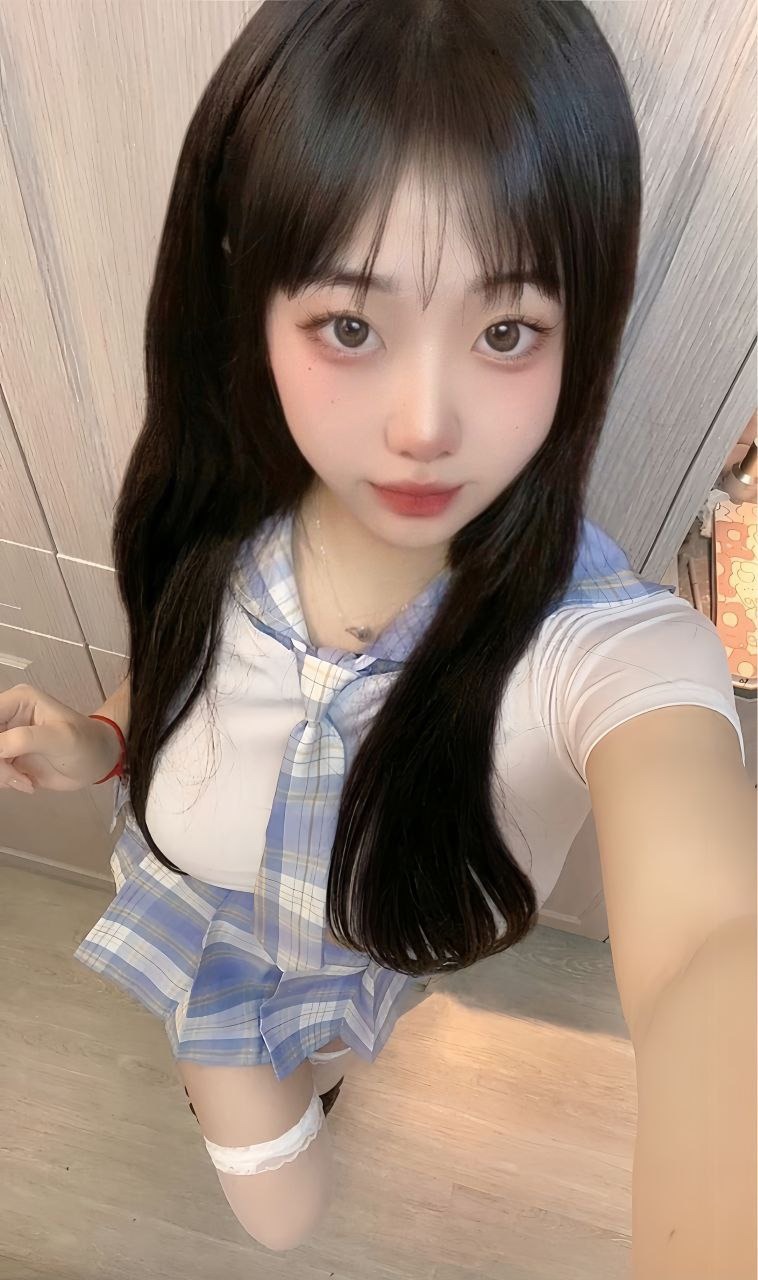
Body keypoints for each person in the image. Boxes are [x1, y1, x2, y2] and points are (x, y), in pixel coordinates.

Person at [0, 0, 748, 1259]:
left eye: (504, 331)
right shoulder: (222, 515)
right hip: (200, 931)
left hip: (354, 966)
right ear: (247, 302)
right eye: (350, 326)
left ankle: (314, 1066)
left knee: (308, 1124)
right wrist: (102, 741)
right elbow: (178, 676)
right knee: (276, 1209)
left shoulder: (593, 650)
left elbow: (709, 945)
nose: (422, 426)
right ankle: (242, 1069)